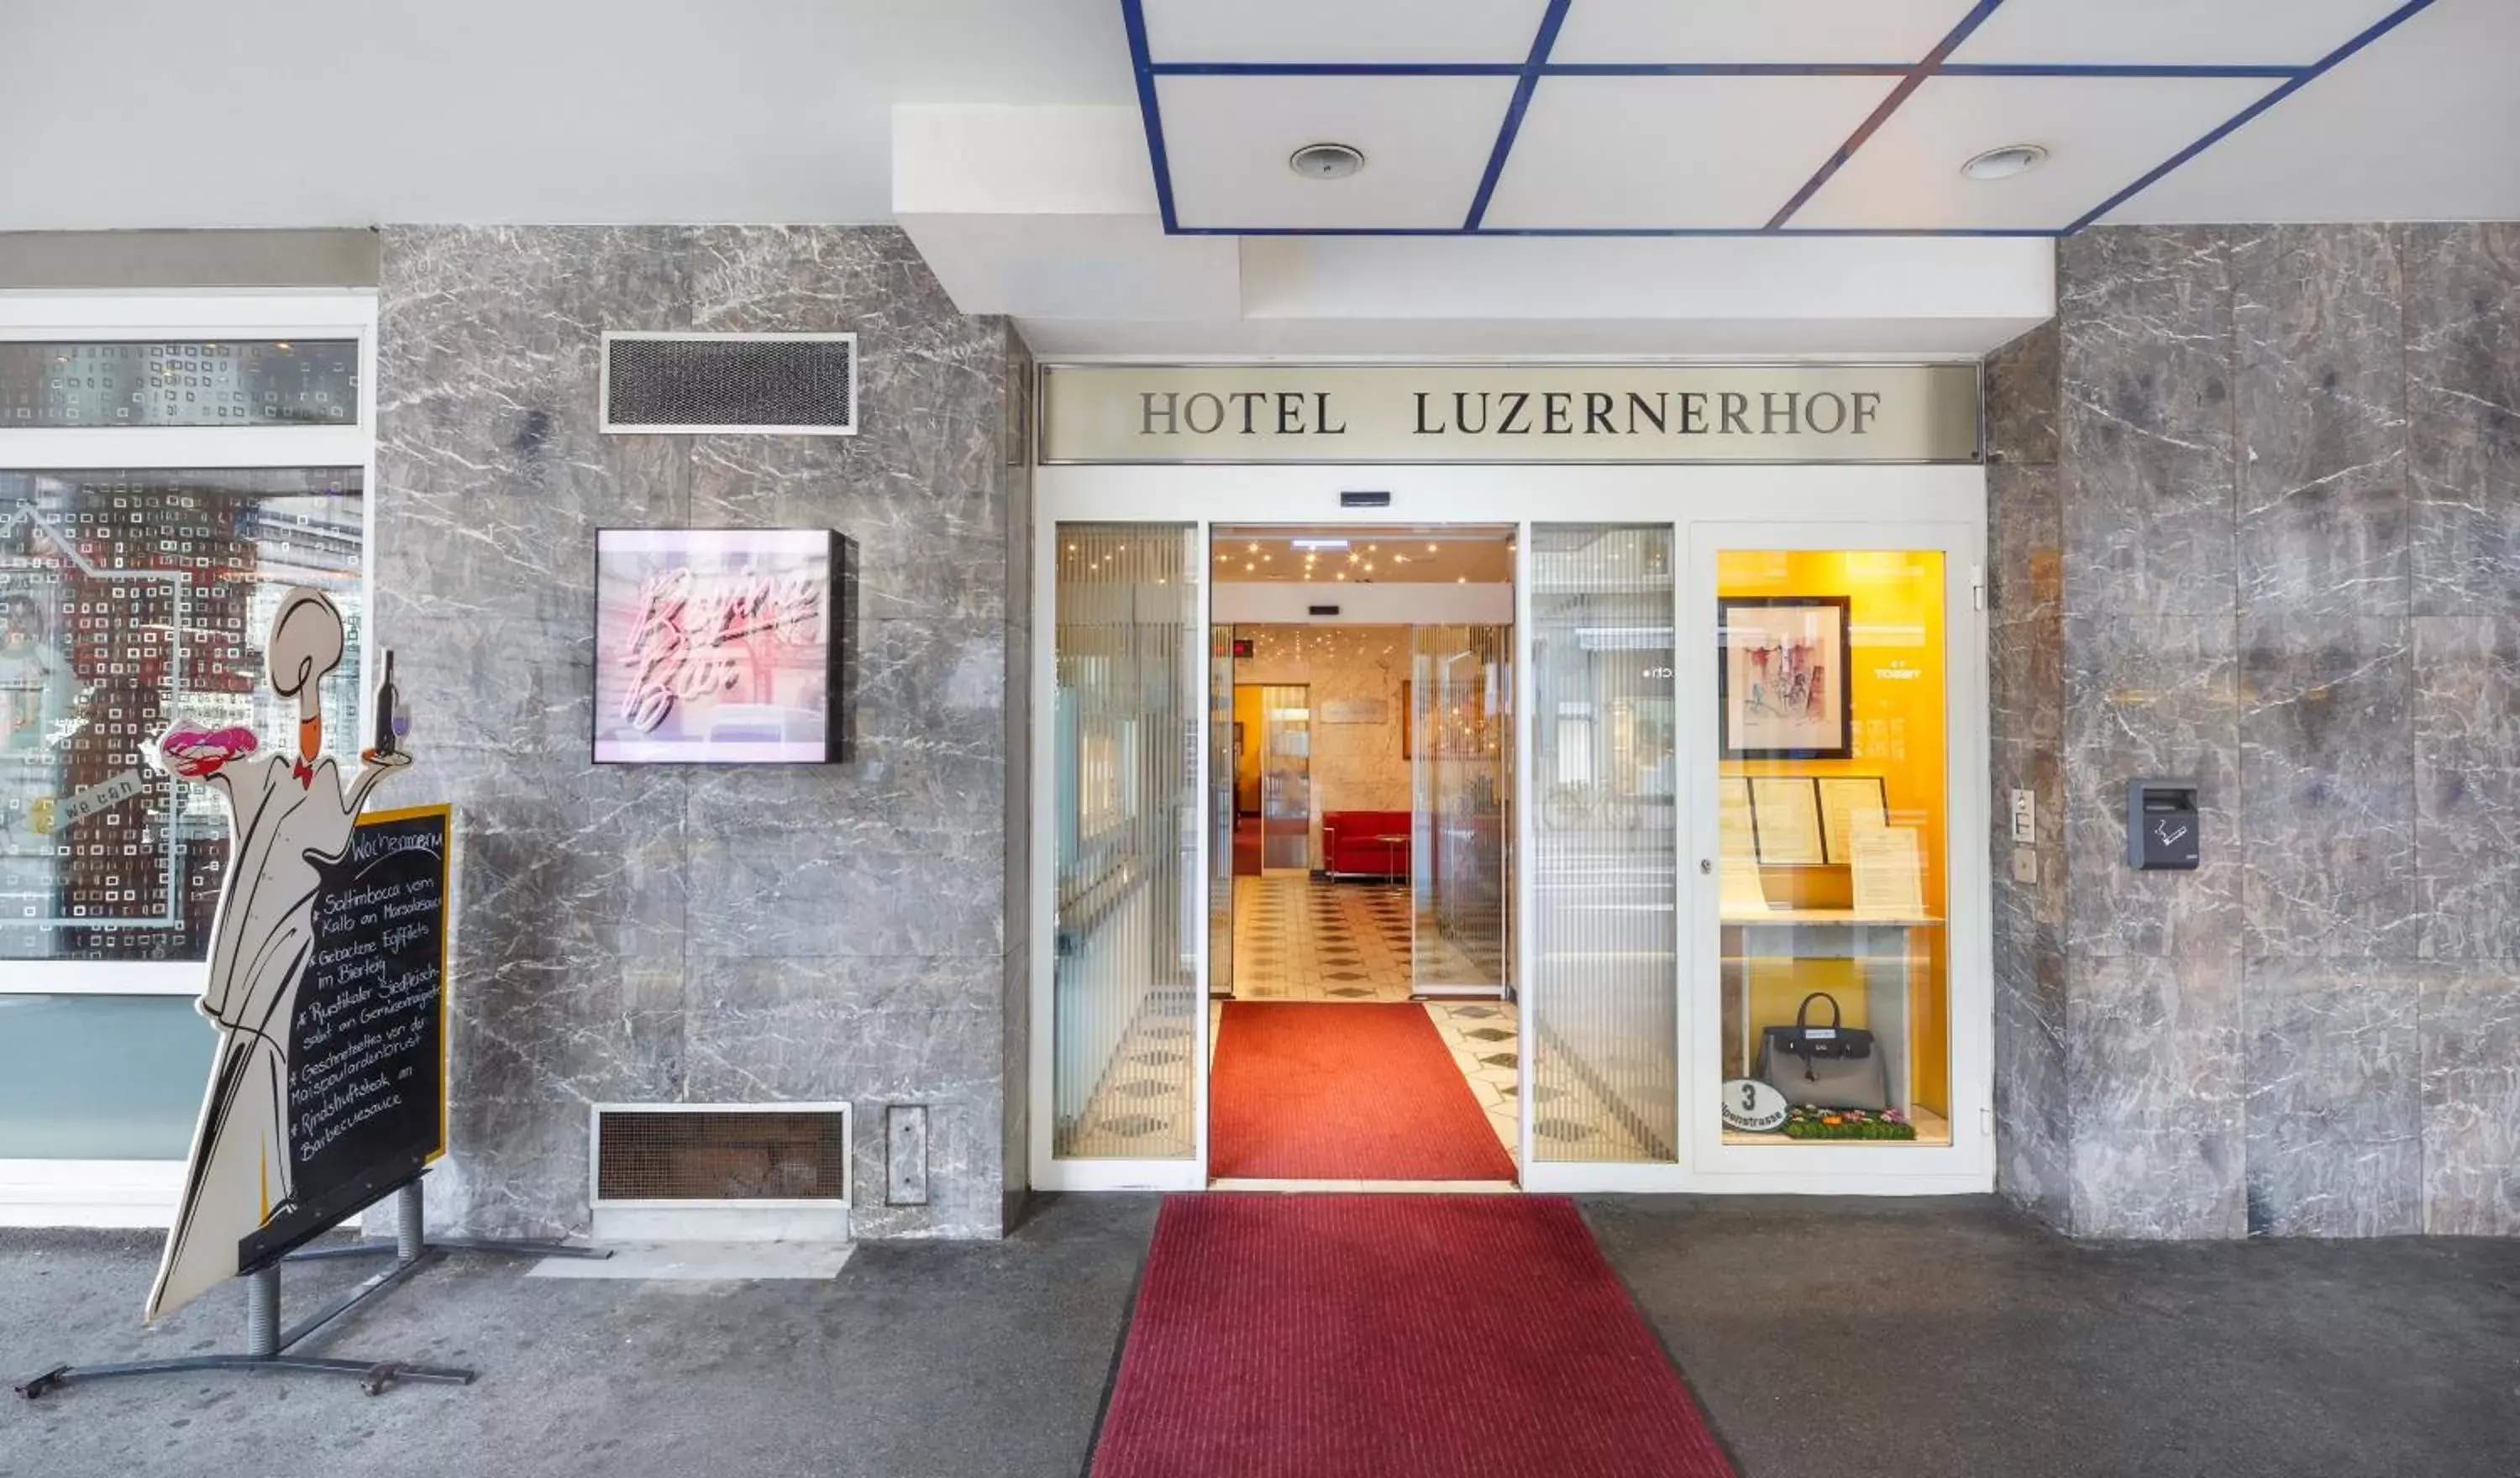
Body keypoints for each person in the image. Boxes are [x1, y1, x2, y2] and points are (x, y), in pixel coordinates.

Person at [144, 587, 410, 1323]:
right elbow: (178, 757)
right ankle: (232, 1224)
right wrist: (217, 745)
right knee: (250, 1072)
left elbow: (331, 834)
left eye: (319, 668)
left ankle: (265, 1201)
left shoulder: (305, 773)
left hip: (291, 947)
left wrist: (375, 777)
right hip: (259, 955)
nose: (308, 684)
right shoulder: (255, 771)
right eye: (305, 667)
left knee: (274, 1071)